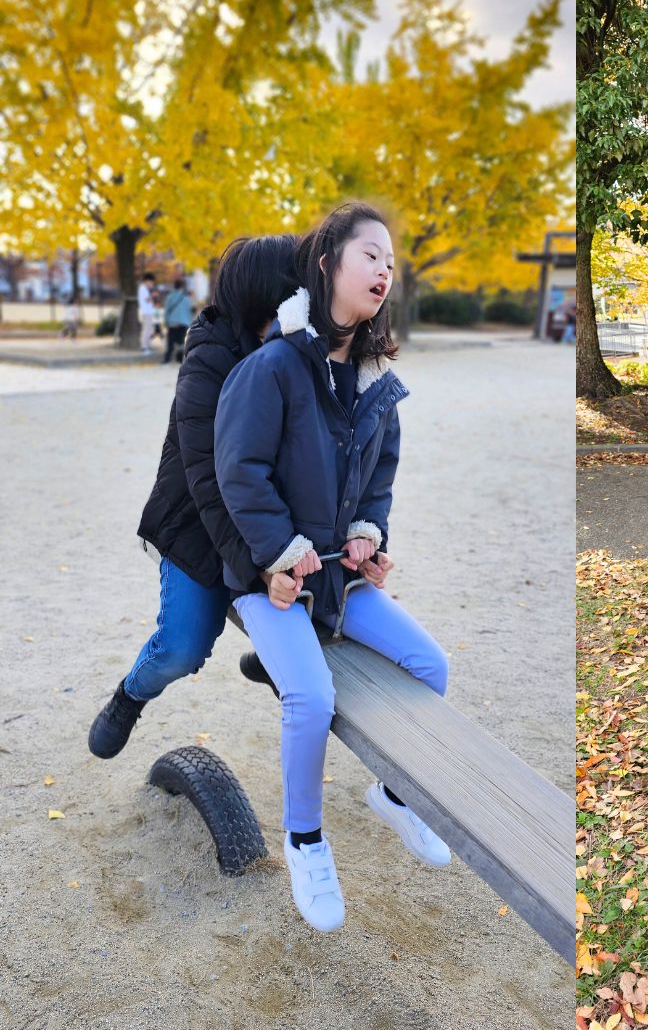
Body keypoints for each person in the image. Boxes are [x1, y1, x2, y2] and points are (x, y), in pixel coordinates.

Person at [214, 201, 451, 933]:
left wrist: (366, 535)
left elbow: (381, 474)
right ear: (327, 265)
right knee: (311, 699)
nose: (384, 268)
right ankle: (305, 840)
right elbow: (239, 470)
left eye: (390, 259)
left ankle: (396, 796)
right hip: (271, 584)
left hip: (338, 584)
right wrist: (280, 555)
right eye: (369, 254)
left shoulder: (378, 379)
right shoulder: (276, 366)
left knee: (431, 667)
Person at [87, 237, 298, 760]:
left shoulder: (298, 345)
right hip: (198, 524)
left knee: (324, 618)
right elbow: (208, 478)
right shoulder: (209, 358)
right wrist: (257, 566)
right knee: (183, 648)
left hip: (264, 521)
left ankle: (266, 660)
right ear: (269, 295)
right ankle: (130, 693)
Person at [162, 279, 194, 364]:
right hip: (183, 322)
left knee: (170, 342)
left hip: (172, 322)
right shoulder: (186, 298)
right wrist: (190, 322)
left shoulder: (169, 297)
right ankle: (180, 359)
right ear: (182, 287)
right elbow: (189, 311)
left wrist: (166, 320)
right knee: (182, 342)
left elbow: (167, 310)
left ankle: (167, 359)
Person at [138, 272, 157, 354]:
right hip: (146, 312)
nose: (152, 284)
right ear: (147, 281)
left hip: (149, 312)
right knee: (146, 330)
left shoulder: (145, 288)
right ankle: (144, 347)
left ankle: (148, 347)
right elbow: (147, 299)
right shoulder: (142, 288)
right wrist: (153, 295)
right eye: (151, 282)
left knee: (149, 330)